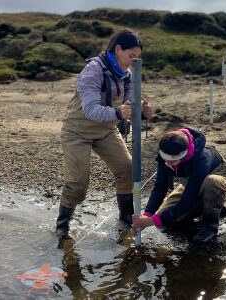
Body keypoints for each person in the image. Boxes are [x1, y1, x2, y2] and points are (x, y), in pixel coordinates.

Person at [56, 29, 153, 239]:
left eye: (137, 58)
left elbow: (130, 103)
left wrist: (142, 111)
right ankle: (62, 226)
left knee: (127, 168)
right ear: (118, 49)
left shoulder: (127, 74)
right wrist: (119, 112)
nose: (133, 61)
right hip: (77, 131)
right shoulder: (92, 71)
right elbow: (90, 109)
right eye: (131, 56)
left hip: (106, 130)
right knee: (78, 184)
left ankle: (125, 216)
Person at [132, 128, 226, 245]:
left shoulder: (201, 159)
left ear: (184, 156)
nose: (167, 164)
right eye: (165, 160)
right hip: (190, 184)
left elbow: (188, 200)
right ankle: (208, 209)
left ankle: (209, 231)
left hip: (221, 180)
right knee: (166, 221)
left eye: (171, 162)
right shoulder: (167, 156)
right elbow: (159, 188)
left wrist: (151, 221)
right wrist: (147, 215)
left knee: (210, 183)